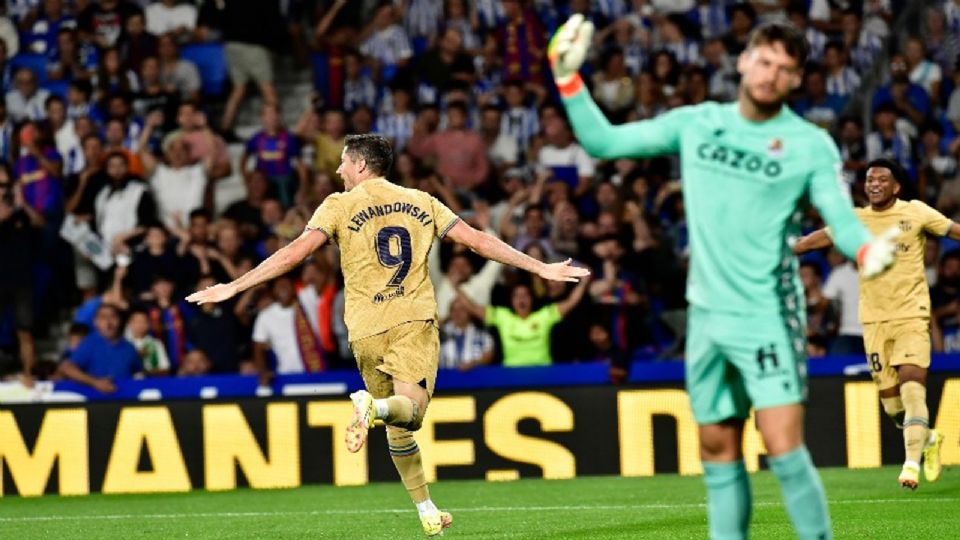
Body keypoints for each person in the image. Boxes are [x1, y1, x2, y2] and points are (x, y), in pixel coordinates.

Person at [548, 15, 896, 540]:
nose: (770, 73)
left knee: (781, 444)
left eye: (784, 68)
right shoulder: (697, 122)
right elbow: (604, 143)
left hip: (767, 314)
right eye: (764, 60)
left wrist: (866, 249)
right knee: (716, 447)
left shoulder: (808, 144)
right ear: (742, 61)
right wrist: (568, 79)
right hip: (706, 316)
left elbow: (839, 215)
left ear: (797, 79)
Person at [186, 134, 588, 536]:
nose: (339, 169)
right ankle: (371, 410)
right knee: (408, 414)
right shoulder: (423, 200)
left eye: (344, 162)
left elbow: (295, 252)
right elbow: (478, 241)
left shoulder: (338, 205)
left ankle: (427, 509)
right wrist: (539, 267)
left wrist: (235, 286)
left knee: (399, 429)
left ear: (361, 165)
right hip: (411, 320)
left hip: (363, 330)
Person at [794, 158, 954, 489]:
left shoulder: (917, 212)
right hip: (874, 321)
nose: (875, 184)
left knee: (912, 388)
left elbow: (953, 230)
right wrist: (779, 252)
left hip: (911, 314)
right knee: (893, 408)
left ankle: (910, 465)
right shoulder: (854, 219)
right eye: (870, 179)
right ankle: (929, 438)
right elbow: (814, 240)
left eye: (882, 178)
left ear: (896, 186)